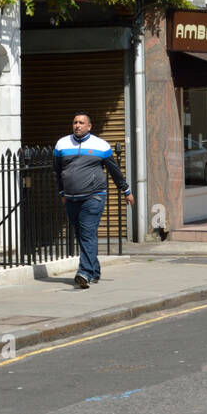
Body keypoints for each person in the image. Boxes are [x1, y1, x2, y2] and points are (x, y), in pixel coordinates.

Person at [53, 112, 134, 287]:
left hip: (94, 196)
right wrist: (62, 193)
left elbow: (114, 170)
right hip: (71, 197)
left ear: (89, 126)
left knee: (88, 233)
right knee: (82, 235)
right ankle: (94, 270)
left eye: (81, 122)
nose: (77, 125)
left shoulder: (101, 145)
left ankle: (84, 273)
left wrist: (125, 190)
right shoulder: (62, 144)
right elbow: (57, 172)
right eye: (75, 122)